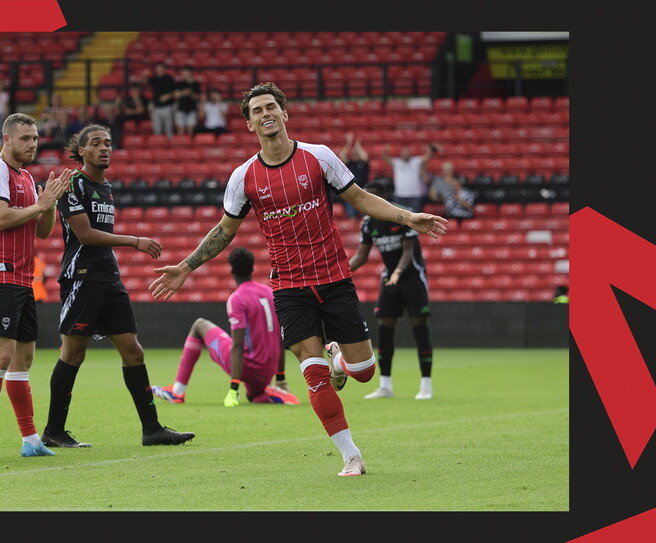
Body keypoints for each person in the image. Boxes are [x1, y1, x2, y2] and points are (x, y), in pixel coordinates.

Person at [149, 82, 448, 476]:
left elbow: (359, 198)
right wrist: (185, 267)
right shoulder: (243, 177)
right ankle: (350, 455)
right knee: (312, 372)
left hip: (334, 277)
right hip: (289, 286)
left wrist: (408, 216)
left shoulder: (319, 157)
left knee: (364, 372)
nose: (265, 113)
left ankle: (340, 359)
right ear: (249, 123)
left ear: (285, 113)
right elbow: (225, 230)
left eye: (271, 106)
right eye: (257, 110)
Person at [41, 123, 195, 449]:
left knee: (133, 352)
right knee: (73, 353)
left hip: (109, 279)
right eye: (96, 143)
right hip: (81, 278)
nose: (104, 148)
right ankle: (54, 431)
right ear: (81, 150)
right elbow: (84, 235)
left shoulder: (106, 188)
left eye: (108, 143)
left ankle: (152, 429)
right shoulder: (72, 184)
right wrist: (134, 240)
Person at [0, 112, 69, 461]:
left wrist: (48, 206)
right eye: (25, 138)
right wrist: (40, 204)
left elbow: (41, 231)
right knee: (3, 356)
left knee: (23, 360)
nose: (33, 144)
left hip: (22, 279)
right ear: (7, 139)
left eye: (36, 138)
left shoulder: (25, 176)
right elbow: (1, 218)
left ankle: (30, 440)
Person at [151, 247, 299, 406]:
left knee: (199, 325)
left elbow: (237, 345)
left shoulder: (238, 298)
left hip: (246, 367)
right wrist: (281, 377)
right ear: (252, 268)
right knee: (254, 396)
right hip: (266, 371)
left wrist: (233, 388)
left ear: (232, 271)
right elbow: (279, 337)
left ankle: (177, 392)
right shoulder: (269, 293)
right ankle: (270, 392)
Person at [348, 180, 435, 400]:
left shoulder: (404, 215)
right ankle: (385, 386)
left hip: (412, 278)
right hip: (390, 280)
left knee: (420, 329)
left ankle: (426, 385)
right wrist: (340, 271)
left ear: (383, 197)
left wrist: (397, 272)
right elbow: (361, 255)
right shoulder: (368, 224)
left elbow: (408, 251)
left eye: (372, 197)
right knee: (385, 329)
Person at [381, 141, 441, 212]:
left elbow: (428, 156)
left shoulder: (416, 161)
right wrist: (385, 151)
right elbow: (385, 158)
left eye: (407, 152)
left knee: (415, 217)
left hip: (414, 196)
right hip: (400, 196)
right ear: (401, 154)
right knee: (399, 218)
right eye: (404, 152)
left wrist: (432, 147)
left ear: (411, 154)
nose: (406, 154)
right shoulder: (397, 162)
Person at [428, 161, 475, 225]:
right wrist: (439, 210)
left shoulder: (466, 193)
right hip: (451, 217)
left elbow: (470, 208)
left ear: (459, 184)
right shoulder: (449, 194)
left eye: (455, 184)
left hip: (464, 217)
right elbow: (447, 208)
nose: (454, 186)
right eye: (452, 185)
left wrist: (459, 200)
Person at [337, 132, 371, 218]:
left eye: (357, 153)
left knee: (365, 216)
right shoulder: (350, 163)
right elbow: (342, 155)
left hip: (364, 192)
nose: (355, 154)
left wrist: (357, 146)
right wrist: (348, 144)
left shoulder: (363, 163)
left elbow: (365, 157)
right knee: (352, 217)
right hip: (351, 193)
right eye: (353, 153)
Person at [146, 62, 176, 139]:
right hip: (156, 107)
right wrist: (143, 74)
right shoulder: (154, 79)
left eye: (161, 69)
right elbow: (141, 82)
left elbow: (176, 92)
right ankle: (158, 144)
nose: (159, 71)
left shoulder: (169, 79)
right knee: (157, 129)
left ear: (165, 70)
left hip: (167, 106)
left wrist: (167, 96)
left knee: (168, 128)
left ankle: (170, 145)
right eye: (158, 70)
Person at [173, 67, 200, 138]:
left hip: (192, 108)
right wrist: (183, 93)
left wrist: (190, 93)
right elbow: (175, 95)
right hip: (181, 108)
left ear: (190, 73)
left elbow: (197, 97)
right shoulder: (179, 83)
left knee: (190, 129)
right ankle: (180, 144)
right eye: (183, 73)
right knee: (180, 128)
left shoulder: (195, 84)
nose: (185, 74)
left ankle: (189, 144)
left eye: (186, 72)